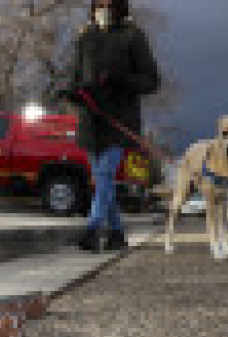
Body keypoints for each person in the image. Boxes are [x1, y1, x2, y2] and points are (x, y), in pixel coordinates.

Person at [68, 0, 160, 252]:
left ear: (120, 6)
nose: (104, 8)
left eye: (109, 4)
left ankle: (93, 230)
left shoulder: (133, 35)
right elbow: (75, 74)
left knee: (105, 175)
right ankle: (117, 234)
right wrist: (73, 91)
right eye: (99, 4)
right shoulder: (85, 36)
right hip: (90, 120)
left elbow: (152, 81)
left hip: (119, 120)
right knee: (101, 179)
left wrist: (123, 80)